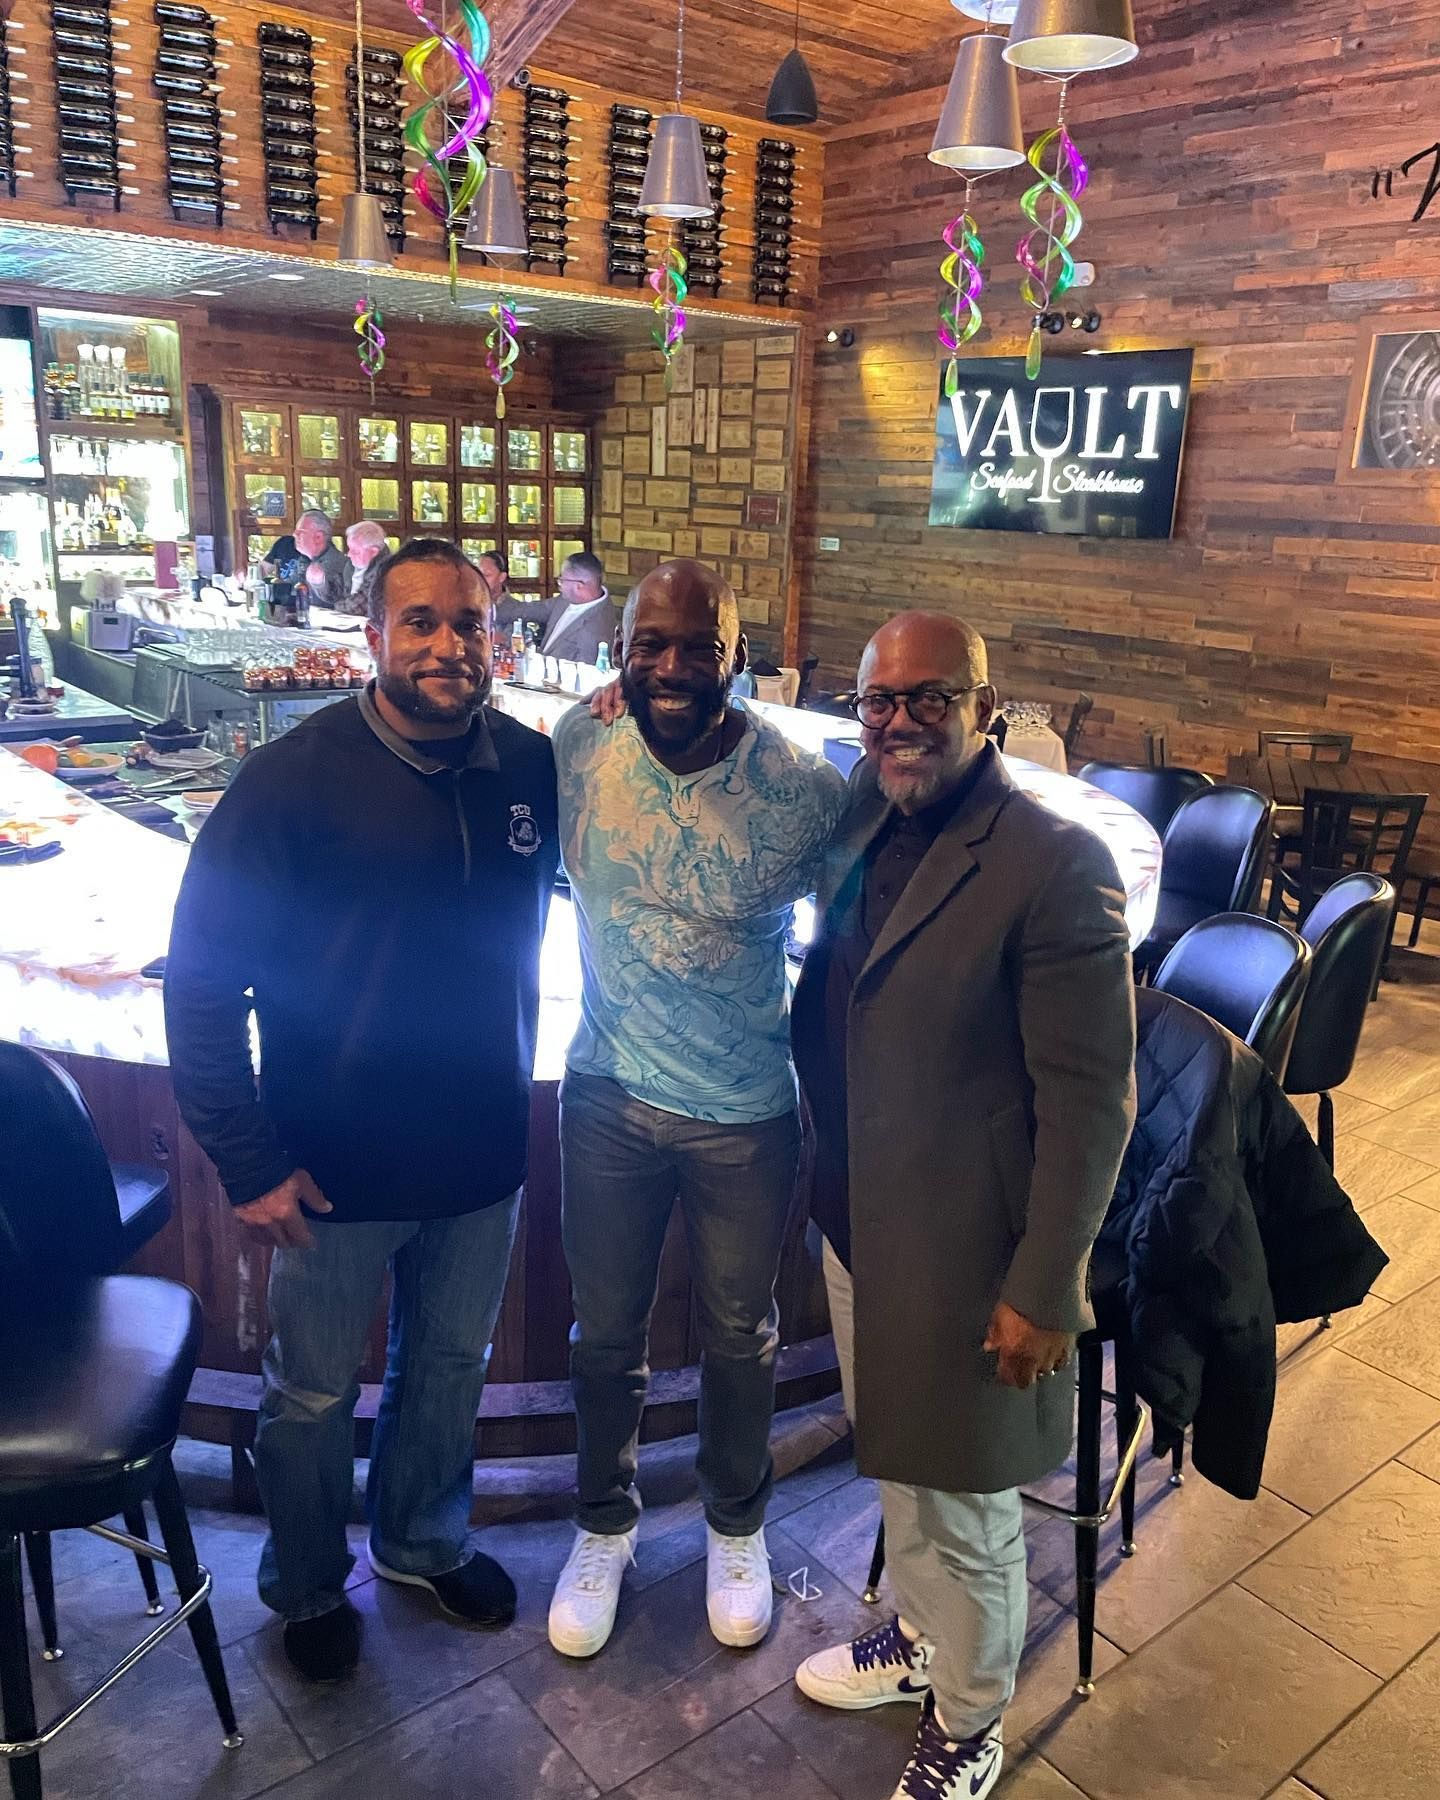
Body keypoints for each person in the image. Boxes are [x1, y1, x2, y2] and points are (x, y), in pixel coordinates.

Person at [164, 537, 559, 1685]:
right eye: (421, 623)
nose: (448, 645)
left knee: (450, 1368)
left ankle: (422, 1544)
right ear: (373, 639)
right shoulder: (291, 780)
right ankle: (303, 1583)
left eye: (468, 625)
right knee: (312, 1392)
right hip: (329, 1169)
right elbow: (200, 975)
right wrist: (245, 1160)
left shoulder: (526, 768)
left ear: (495, 641)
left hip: (481, 1156)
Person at [789, 612, 1136, 1800]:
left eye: (930, 698)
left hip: (965, 1247)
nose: (899, 721)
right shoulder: (864, 807)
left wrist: (1044, 1288)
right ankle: (919, 1642)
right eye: (879, 700)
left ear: (987, 706)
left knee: (968, 1500)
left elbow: (1092, 1104)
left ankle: (974, 1716)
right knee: (901, 1460)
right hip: (856, 1213)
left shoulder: (1052, 860)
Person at [546, 559, 847, 1659]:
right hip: (606, 1095)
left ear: (737, 656)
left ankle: (737, 1524)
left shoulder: (804, 788)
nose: (671, 666)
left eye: (698, 647)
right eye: (650, 644)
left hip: (745, 1115)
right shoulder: (579, 744)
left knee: (740, 1336)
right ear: (618, 649)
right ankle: (603, 1525)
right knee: (603, 1337)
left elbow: (866, 932)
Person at [509, 551, 617, 664]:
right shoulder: (566, 600)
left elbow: (586, 676)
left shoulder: (596, 630)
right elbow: (531, 610)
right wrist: (493, 606)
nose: (559, 585)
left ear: (579, 586)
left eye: (562, 581)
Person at [261, 509, 348, 616]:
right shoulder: (305, 559)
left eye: (300, 532)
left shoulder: (334, 563)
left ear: (318, 537)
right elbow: (289, 587)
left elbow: (318, 602)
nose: (294, 534)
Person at [340, 520, 389, 612]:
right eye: (349, 549)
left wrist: (338, 605)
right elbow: (337, 595)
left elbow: (359, 607)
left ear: (374, 551)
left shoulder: (385, 570)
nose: (349, 554)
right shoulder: (350, 566)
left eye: (356, 551)